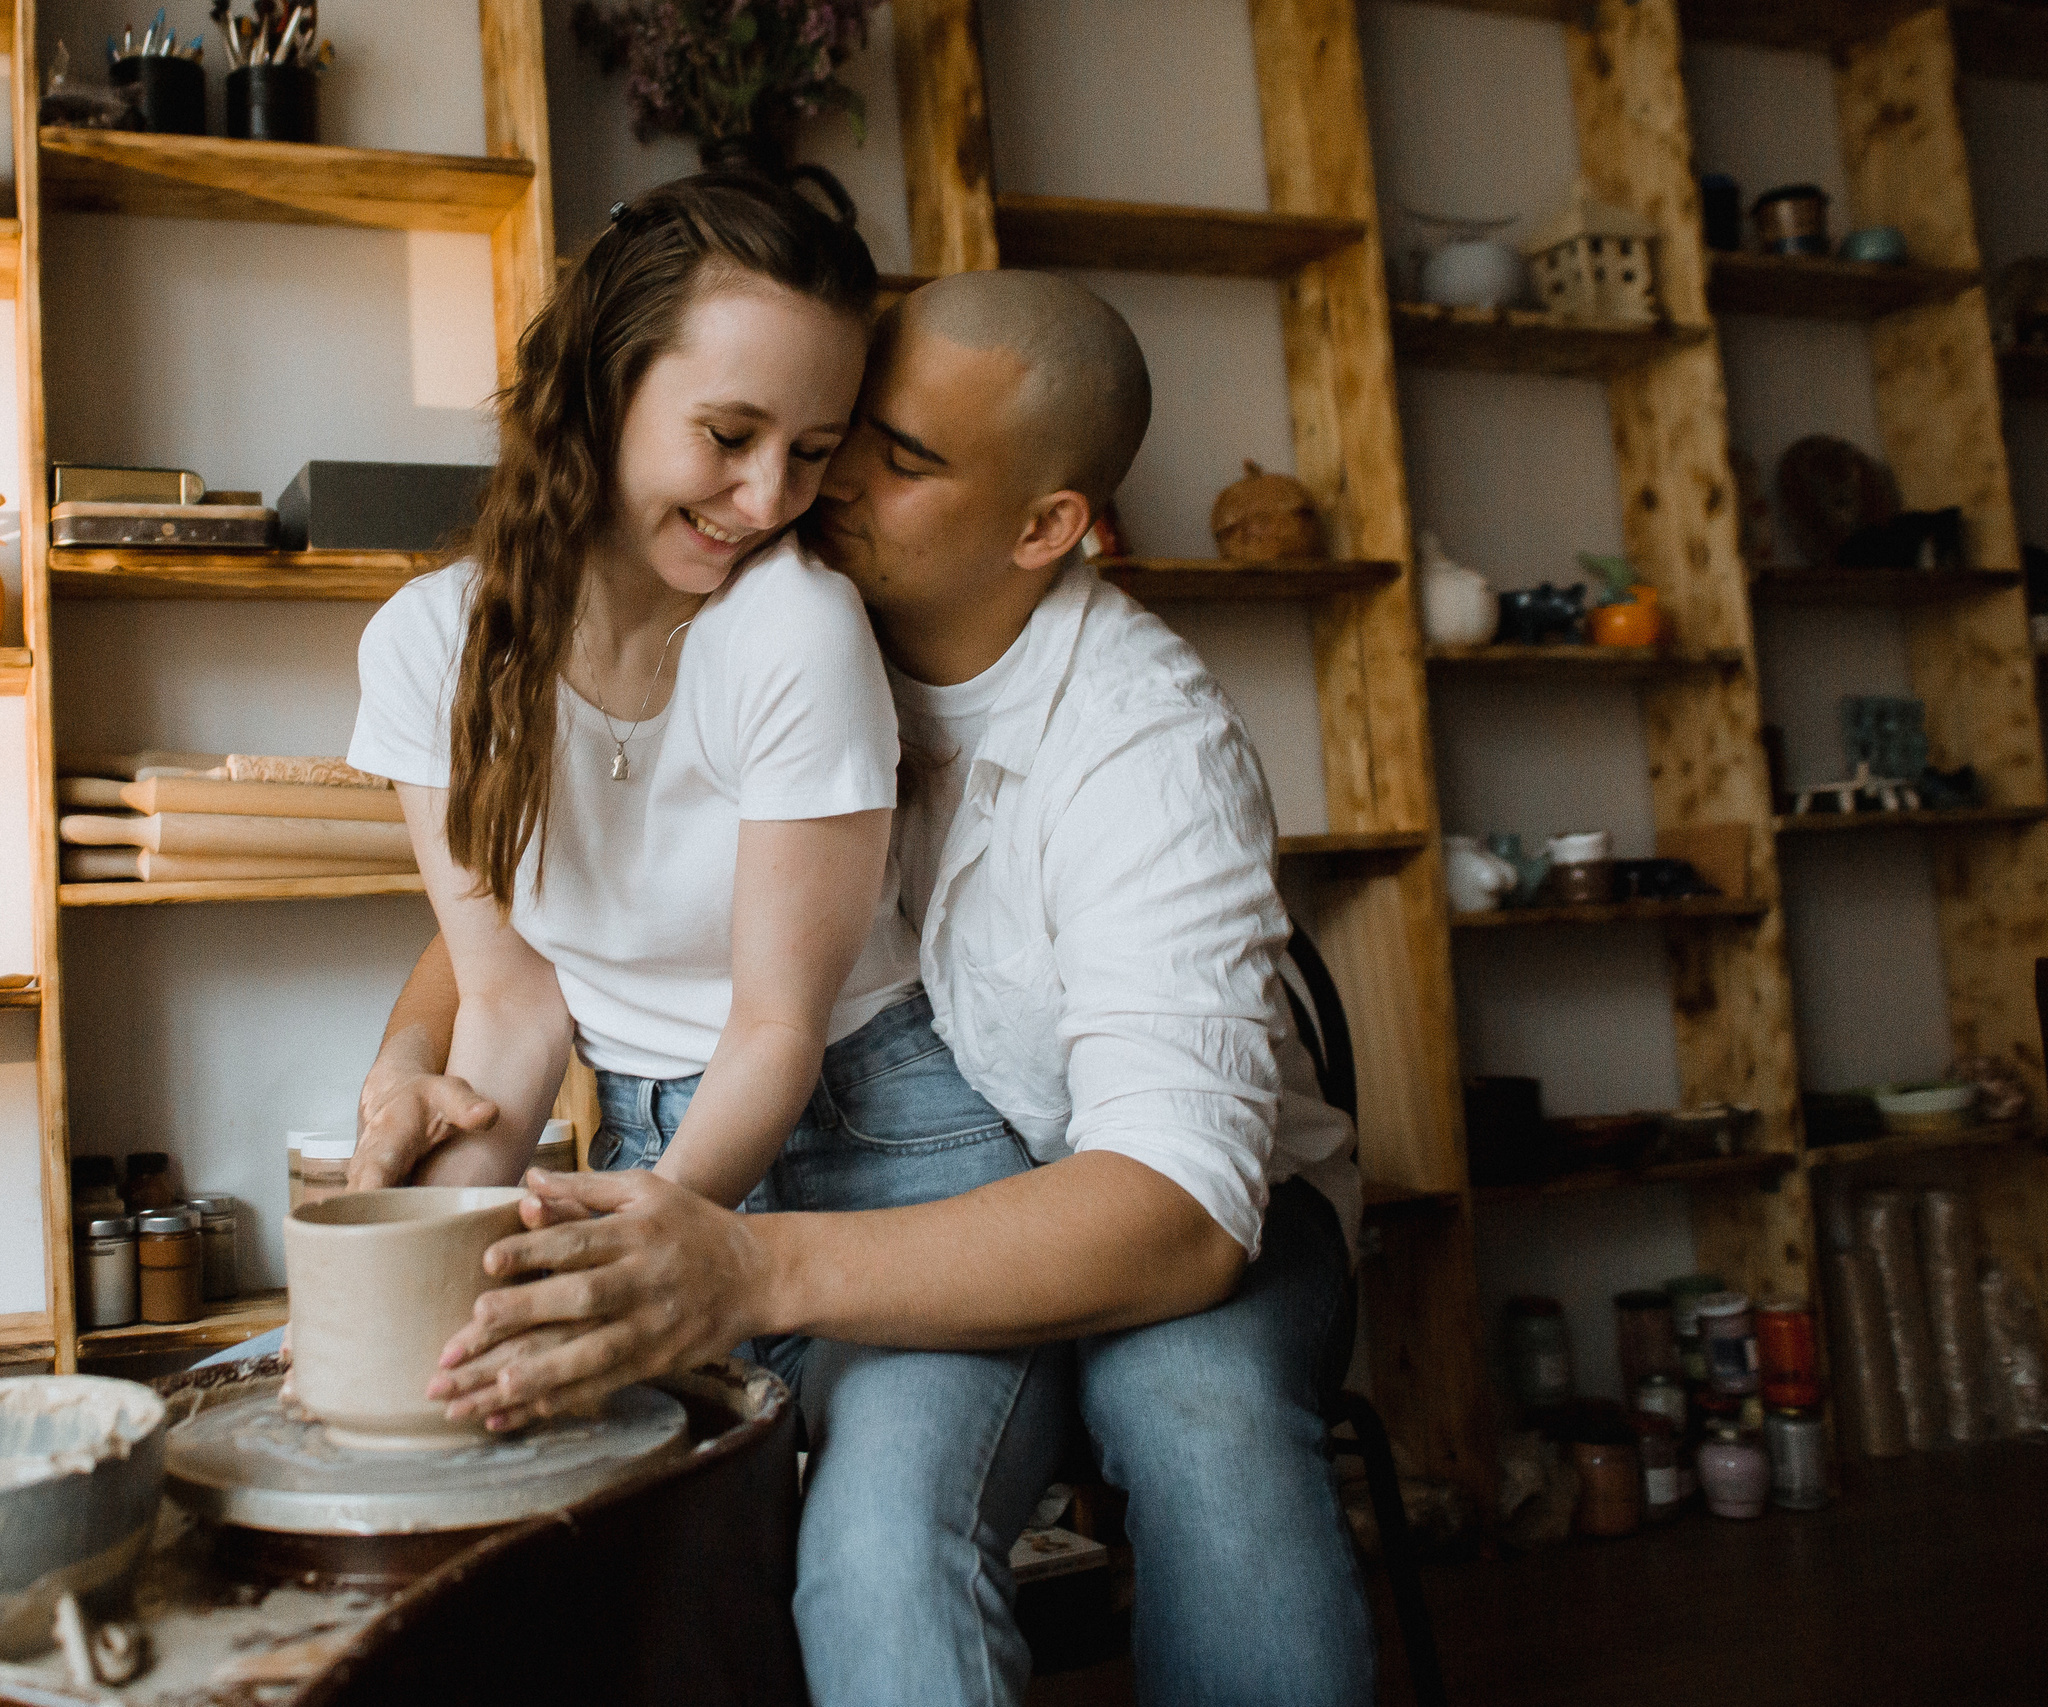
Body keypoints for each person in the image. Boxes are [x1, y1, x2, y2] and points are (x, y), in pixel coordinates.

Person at [356, 270, 1376, 1707]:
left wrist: (753, 1266)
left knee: (1182, 1400)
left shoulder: (1149, 751)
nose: (811, 486)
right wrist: (412, 1047)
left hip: (1178, 1207)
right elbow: (552, 903)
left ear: (1044, 528)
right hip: (904, 1173)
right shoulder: (775, 625)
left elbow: (1179, 1211)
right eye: (842, 437)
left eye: (899, 460)